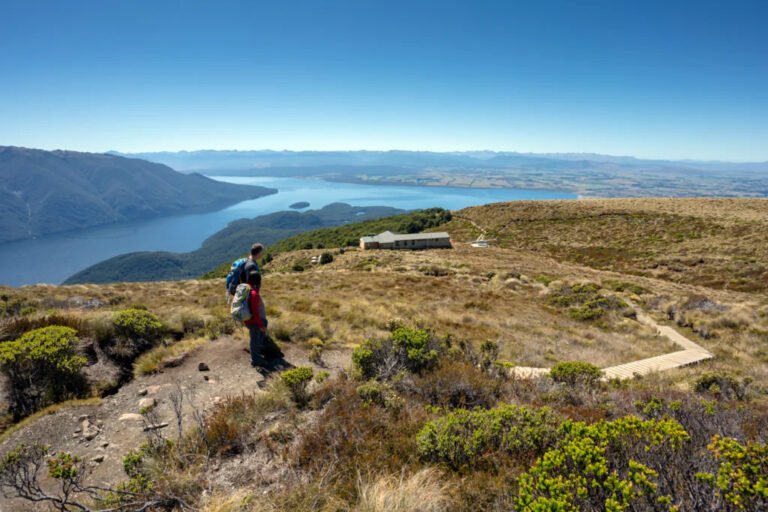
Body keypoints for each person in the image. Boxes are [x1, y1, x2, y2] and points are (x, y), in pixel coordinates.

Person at [243, 270, 269, 369]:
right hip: (253, 321)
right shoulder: (253, 293)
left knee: (255, 337)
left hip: (248, 319)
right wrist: (261, 325)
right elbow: (255, 312)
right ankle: (256, 360)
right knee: (255, 339)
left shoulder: (246, 289)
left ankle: (256, 351)